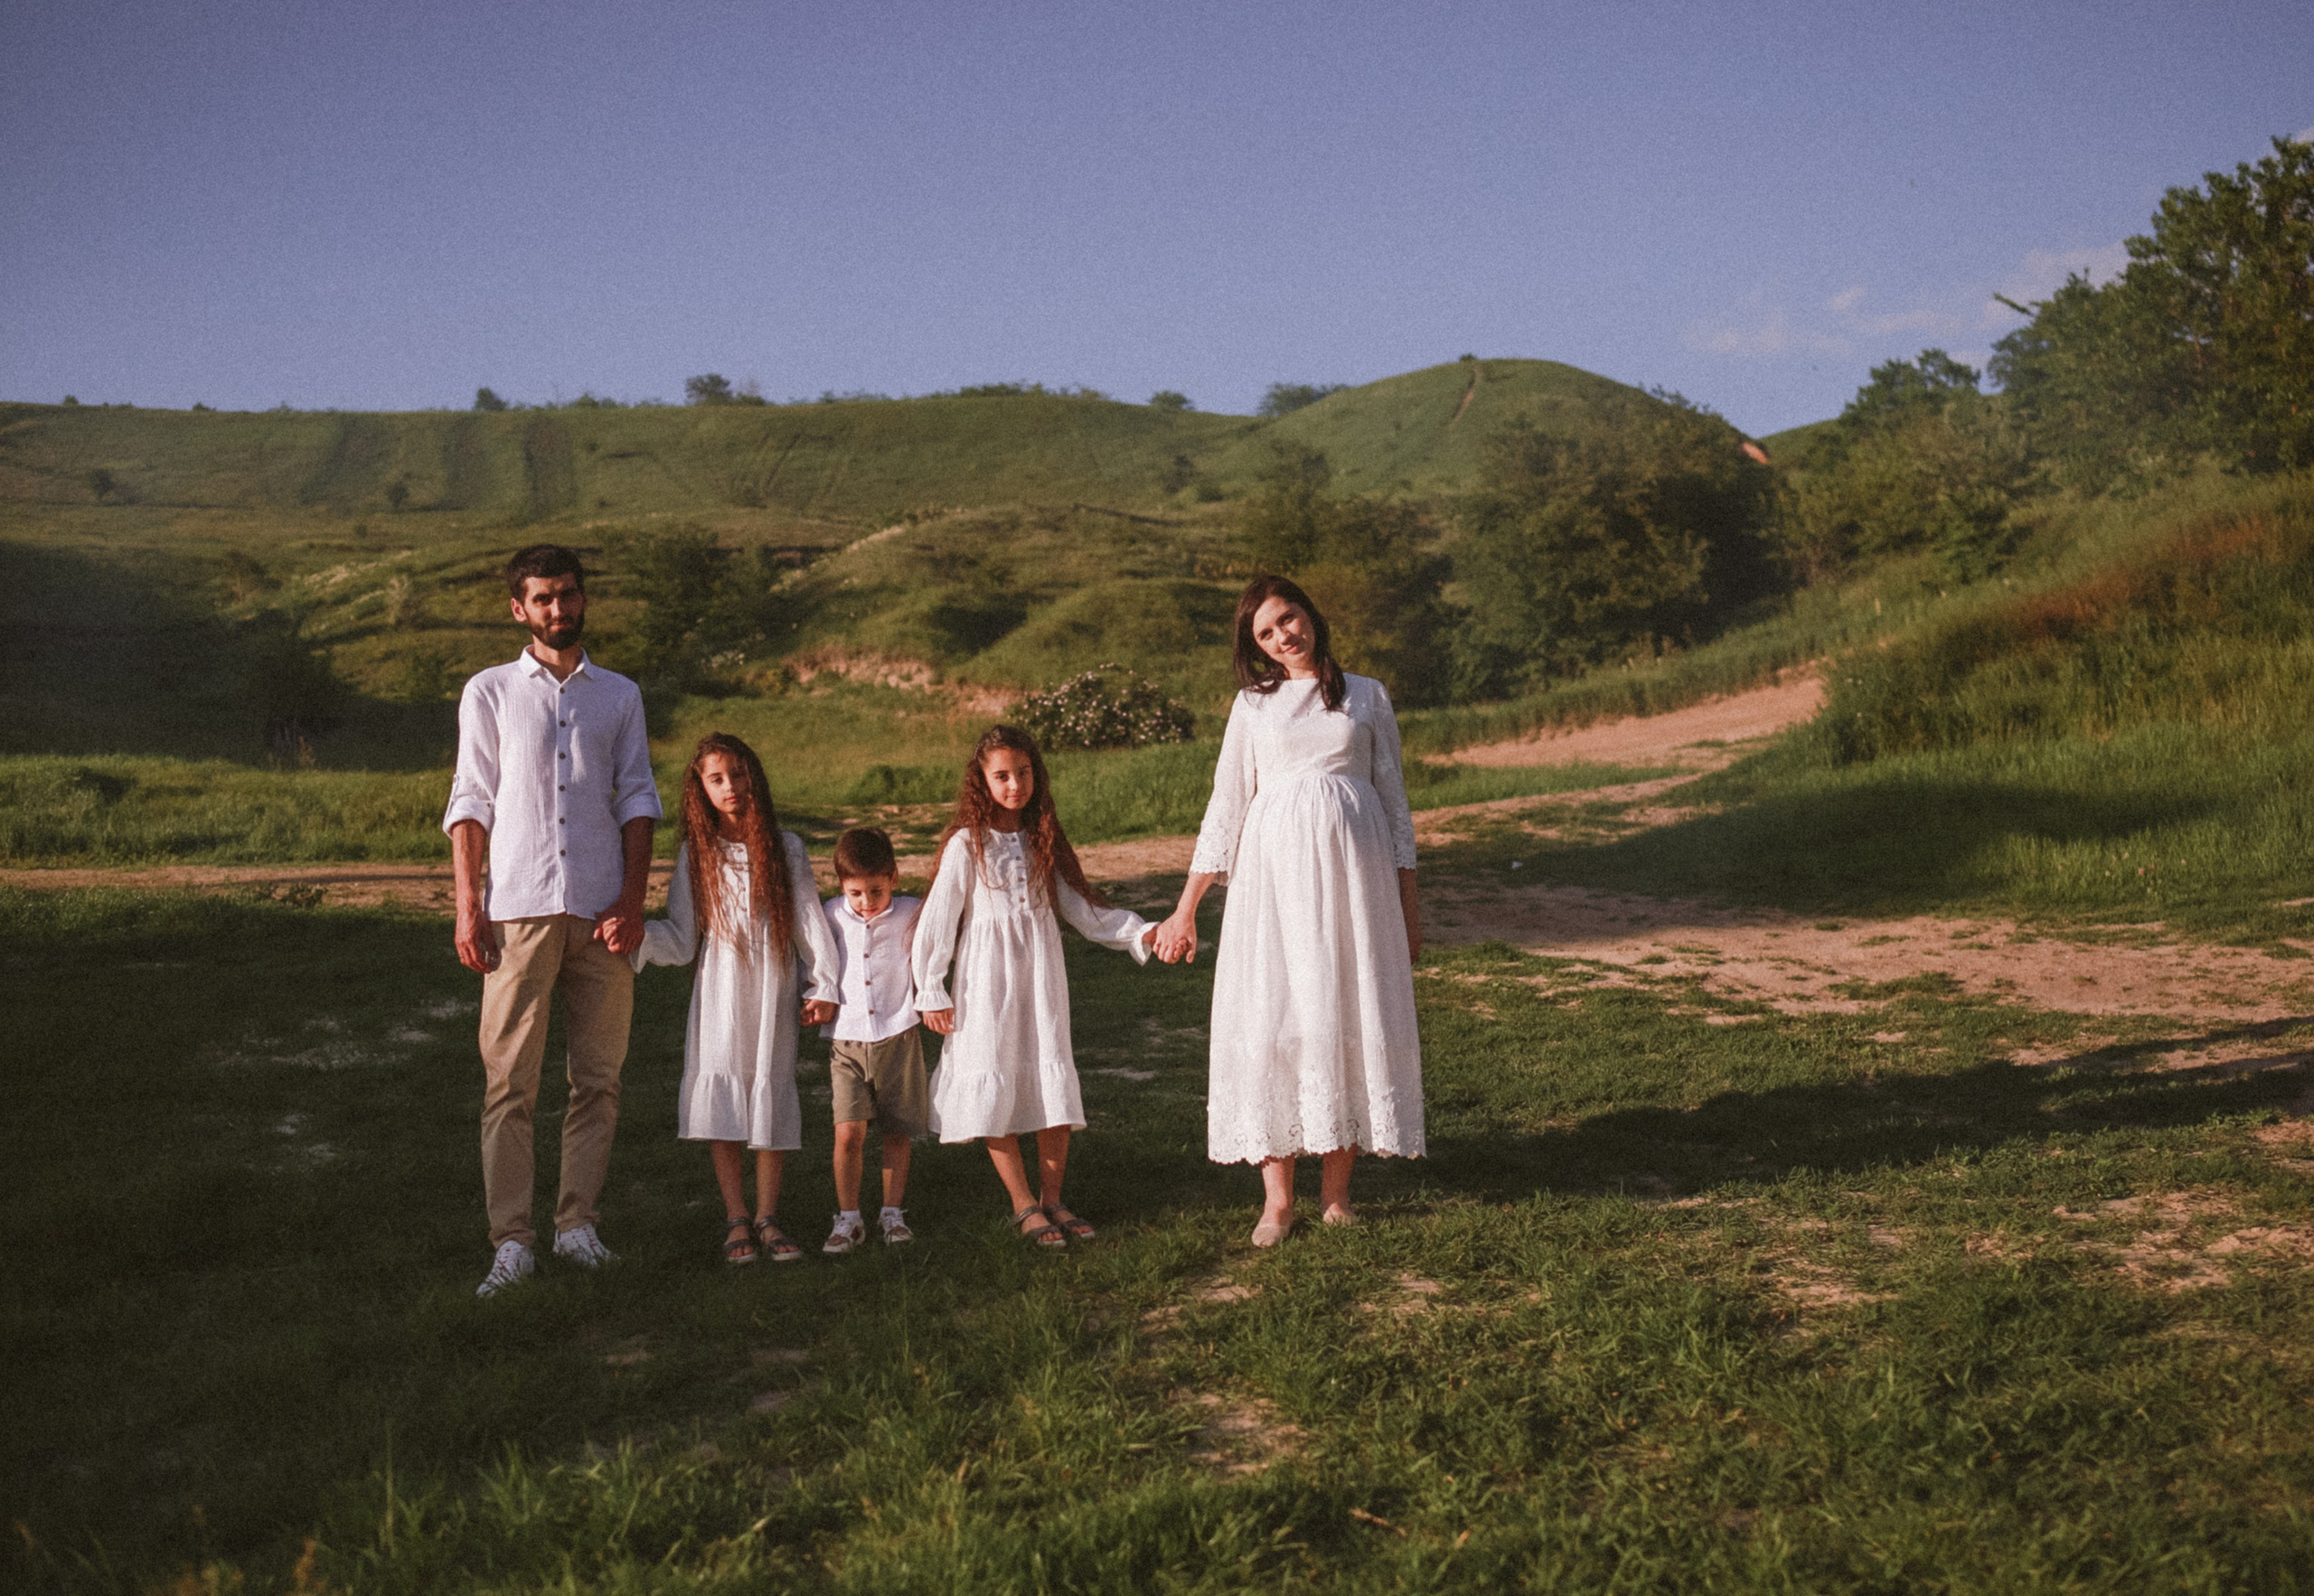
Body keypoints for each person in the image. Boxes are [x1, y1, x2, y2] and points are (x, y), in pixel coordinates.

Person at [1152, 574, 1425, 1246]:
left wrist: (1409, 908)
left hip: (1355, 887)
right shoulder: (1253, 705)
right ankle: (1276, 1202)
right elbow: (1226, 806)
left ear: (1310, 614)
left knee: (1344, 1014)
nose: (1283, 637)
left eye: (1288, 619)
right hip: (1272, 888)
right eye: (1266, 633)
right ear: (1256, 647)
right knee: (1273, 1019)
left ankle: (1336, 1195)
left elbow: (1394, 805)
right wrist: (1186, 909)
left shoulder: (1368, 695)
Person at [445, 543, 663, 1297]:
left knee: (598, 1080)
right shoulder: (490, 691)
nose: (558, 609)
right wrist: (468, 907)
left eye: (567, 594)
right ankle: (512, 1241)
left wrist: (631, 902)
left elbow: (638, 799)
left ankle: (577, 1227)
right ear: (519, 609)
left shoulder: (620, 696)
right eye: (542, 598)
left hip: (602, 914)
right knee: (510, 1085)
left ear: (583, 598)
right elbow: (471, 800)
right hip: (518, 911)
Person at [911, 725, 1162, 1248]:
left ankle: (1053, 1198)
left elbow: (1081, 907)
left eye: (1023, 773)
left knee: (1051, 1077)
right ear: (982, 781)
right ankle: (1023, 1202)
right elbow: (938, 918)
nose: (1014, 785)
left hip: (1041, 977)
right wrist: (931, 986)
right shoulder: (967, 844)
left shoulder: (1043, 837)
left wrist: (1139, 932)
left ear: (1036, 774)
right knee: (992, 1074)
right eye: (1002, 776)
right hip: (987, 981)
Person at [633, 734, 842, 1263]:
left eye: (739, 774)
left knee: (770, 1082)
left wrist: (823, 983)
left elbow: (808, 921)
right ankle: (736, 1217)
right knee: (723, 1094)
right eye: (717, 779)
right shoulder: (697, 853)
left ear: (755, 777)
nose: (731, 787)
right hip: (721, 988)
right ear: (700, 788)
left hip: (773, 984)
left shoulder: (786, 847)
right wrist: (637, 938)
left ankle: (768, 1216)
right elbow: (683, 938)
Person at [817, 827, 929, 1253]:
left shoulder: (912, 913)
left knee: (896, 1131)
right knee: (848, 1132)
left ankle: (891, 1213)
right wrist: (814, 994)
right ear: (841, 886)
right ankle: (848, 1218)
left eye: (877, 891)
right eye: (856, 893)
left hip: (898, 1035)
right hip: (846, 1040)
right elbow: (817, 962)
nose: (866, 903)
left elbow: (939, 947)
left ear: (894, 877)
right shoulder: (831, 915)